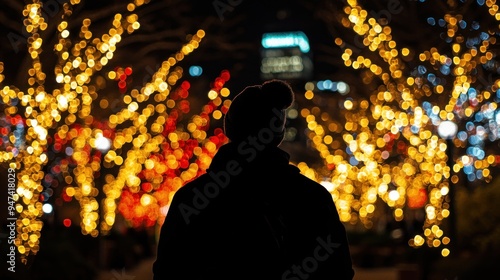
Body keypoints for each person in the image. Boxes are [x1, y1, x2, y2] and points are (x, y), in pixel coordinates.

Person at [152, 79, 355, 280]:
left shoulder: (192, 198)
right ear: (279, 135)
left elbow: (167, 272)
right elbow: (339, 271)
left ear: (230, 128)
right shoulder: (312, 198)